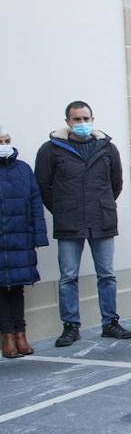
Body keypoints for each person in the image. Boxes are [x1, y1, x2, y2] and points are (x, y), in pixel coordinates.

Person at [34, 100, 131, 346]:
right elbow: (43, 186)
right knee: (68, 276)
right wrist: (62, 209)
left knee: (107, 275)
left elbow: (115, 184)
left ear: (92, 119)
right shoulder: (50, 149)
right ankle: (70, 326)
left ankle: (110, 322)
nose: (82, 123)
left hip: (102, 219)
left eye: (86, 119)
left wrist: (103, 204)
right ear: (68, 122)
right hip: (69, 221)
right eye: (77, 119)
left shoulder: (107, 148)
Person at [0, 127, 48, 358]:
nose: (4, 144)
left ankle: (21, 333)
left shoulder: (23, 169)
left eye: (7, 140)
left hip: (20, 238)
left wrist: (38, 236)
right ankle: (7, 336)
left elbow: (35, 204)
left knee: (17, 289)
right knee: (1, 290)